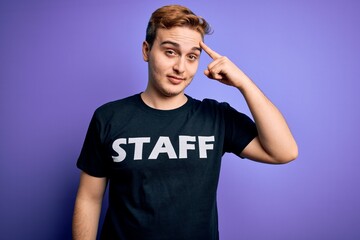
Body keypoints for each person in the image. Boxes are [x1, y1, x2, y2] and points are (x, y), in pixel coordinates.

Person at [72, 4, 298, 240]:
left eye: (192, 57)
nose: (180, 67)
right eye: (170, 52)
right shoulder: (109, 117)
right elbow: (89, 198)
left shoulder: (215, 117)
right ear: (146, 50)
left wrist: (243, 83)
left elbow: (284, 152)